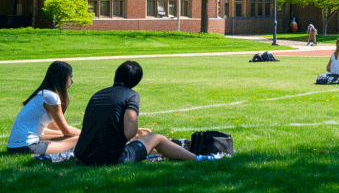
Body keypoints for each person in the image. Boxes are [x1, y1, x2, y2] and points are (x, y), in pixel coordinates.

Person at [74, 61, 215, 166]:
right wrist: (137, 133)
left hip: (83, 155)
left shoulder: (97, 94)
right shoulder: (131, 95)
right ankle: (197, 159)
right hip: (110, 159)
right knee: (156, 137)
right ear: (136, 81)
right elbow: (130, 132)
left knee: (144, 136)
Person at [7, 61, 81, 155]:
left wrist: (69, 135)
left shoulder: (44, 94)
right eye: (71, 76)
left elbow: (50, 131)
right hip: (28, 147)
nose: (71, 80)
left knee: (70, 137)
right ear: (63, 78)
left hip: (14, 148)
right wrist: (86, 133)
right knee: (80, 139)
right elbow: (66, 131)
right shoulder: (51, 97)